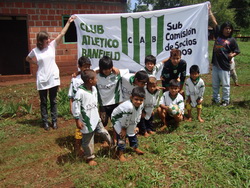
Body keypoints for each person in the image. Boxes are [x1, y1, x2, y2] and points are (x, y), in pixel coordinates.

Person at [26, 16, 76, 130]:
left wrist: (68, 22)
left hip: (53, 77)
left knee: (53, 101)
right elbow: (27, 59)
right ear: (41, 41)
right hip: (42, 78)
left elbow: (62, 34)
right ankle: (45, 122)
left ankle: (54, 121)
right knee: (43, 101)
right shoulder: (35, 51)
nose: (49, 40)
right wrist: (36, 63)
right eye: (47, 39)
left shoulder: (52, 46)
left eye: (49, 38)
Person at [72, 69, 112, 166]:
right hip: (87, 121)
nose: (97, 80)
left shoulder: (94, 89)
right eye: (95, 78)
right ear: (90, 80)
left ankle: (112, 146)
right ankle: (89, 158)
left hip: (96, 118)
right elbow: (75, 107)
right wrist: (77, 120)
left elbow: (94, 103)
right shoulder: (80, 93)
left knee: (104, 132)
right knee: (88, 140)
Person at [209, 6, 240, 106]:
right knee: (215, 84)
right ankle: (215, 100)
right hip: (215, 64)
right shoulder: (218, 35)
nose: (228, 30)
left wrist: (232, 54)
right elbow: (214, 22)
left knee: (226, 84)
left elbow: (237, 50)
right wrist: (209, 11)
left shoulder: (232, 40)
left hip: (225, 65)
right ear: (222, 29)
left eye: (230, 29)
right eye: (226, 28)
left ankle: (225, 100)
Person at [111, 87, 145, 162]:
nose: (138, 102)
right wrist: (123, 129)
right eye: (136, 99)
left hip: (128, 119)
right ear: (131, 97)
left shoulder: (141, 105)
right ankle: (120, 154)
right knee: (122, 136)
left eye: (141, 100)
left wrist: (135, 125)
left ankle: (135, 147)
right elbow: (125, 119)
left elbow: (138, 115)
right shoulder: (129, 107)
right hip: (118, 119)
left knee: (132, 133)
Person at [68, 56, 91, 157]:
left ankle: (87, 144)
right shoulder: (75, 80)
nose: (86, 68)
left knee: (88, 125)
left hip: (89, 106)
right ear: (79, 67)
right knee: (79, 127)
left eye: (88, 66)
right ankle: (77, 146)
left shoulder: (91, 77)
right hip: (78, 107)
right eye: (84, 67)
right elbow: (71, 95)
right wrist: (71, 106)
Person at [96, 56, 123, 128]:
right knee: (103, 122)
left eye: (109, 69)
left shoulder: (116, 74)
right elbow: (88, 73)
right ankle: (105, 137)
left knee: (116, 121)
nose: (107, 71)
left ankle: (116, 138)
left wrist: (114, 68)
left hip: (115, 102)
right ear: (101, 68)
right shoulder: (96, 75)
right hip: (103, 104)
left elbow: (129, 73)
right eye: (104, 69)